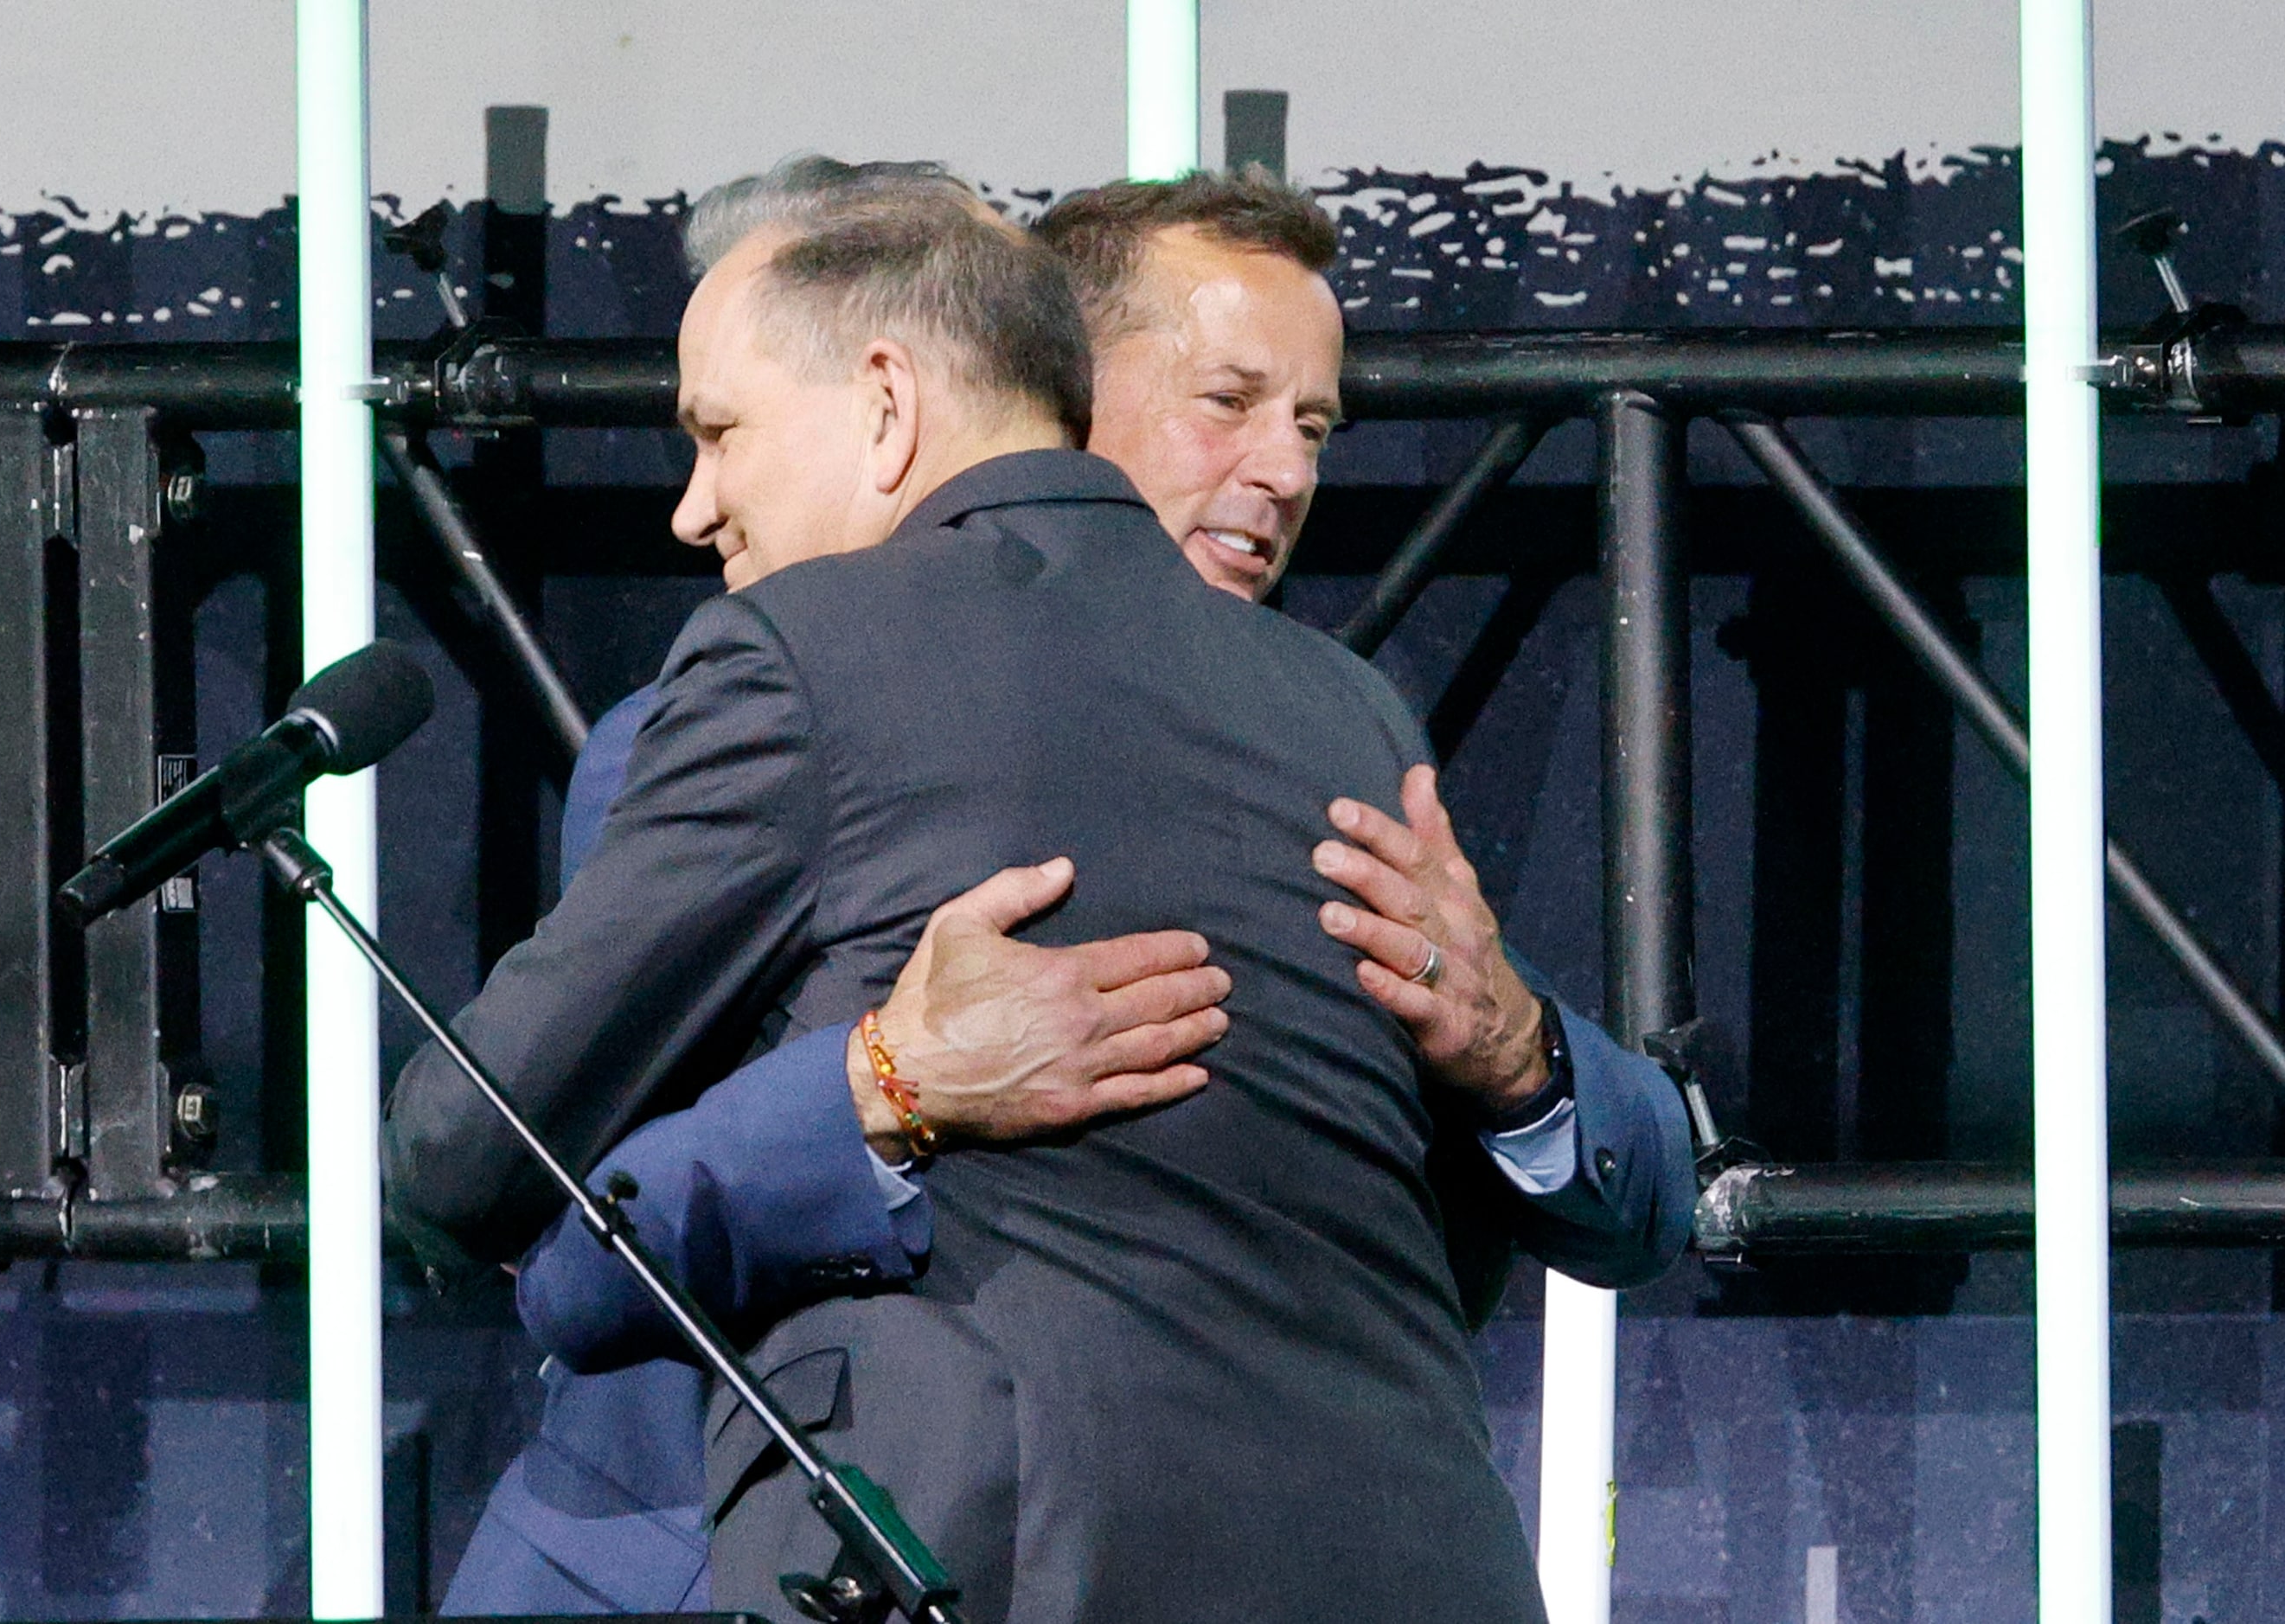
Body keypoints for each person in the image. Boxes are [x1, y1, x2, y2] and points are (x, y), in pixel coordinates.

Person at [385, 154, 1683, 1623]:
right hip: (772, 1547)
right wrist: (881, 1085)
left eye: (1311, 422)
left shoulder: (1331, 722)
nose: (1288, 469)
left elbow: (1431, 1206)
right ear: (1065, 385)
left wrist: (1518, 1051)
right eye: (1229, 402)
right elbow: (581, 1221)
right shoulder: (783, 693)